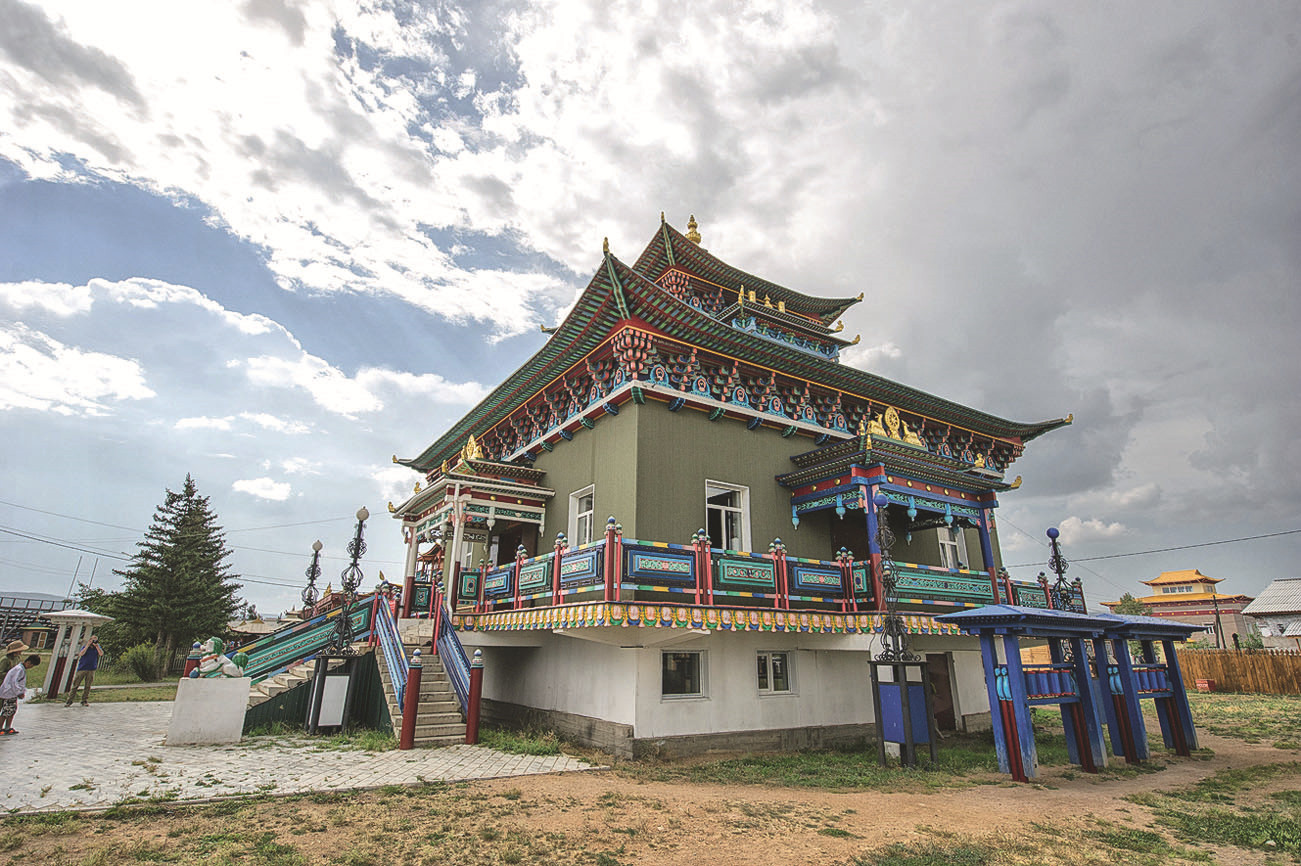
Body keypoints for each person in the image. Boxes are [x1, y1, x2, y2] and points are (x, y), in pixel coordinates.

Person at [0, 654, 40, 735]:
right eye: (32, 665)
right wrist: (19, 693)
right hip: (9, 693)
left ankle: (7, 727)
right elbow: (14, 683)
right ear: (28, 662)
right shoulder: (19, 669)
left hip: (12, 693)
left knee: (11, 711)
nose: (31, 667)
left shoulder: (21, 669)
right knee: (6, 711)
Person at [64, 635, 102, 707]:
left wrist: (97, 646)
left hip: (91, 669)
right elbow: (81, 654)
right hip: (82, 668)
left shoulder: (97, 647)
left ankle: (84, 700)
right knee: (75, 685)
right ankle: (69, 700)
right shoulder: (85, 646)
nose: (94, 642)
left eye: (95, 640)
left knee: (87, 686)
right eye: (93, 640)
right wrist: (87, 645)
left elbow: (101, 654)